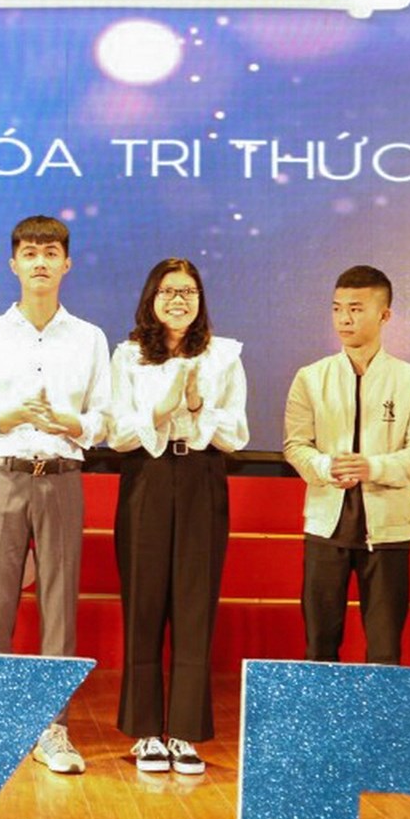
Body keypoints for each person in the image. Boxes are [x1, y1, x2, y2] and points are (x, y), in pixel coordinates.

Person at [0, 216, 111, 775]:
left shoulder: (90, 338)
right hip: (5, 475)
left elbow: (104, 418)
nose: (40, 262)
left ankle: (54, 728)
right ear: (14, 264)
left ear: (67, 264)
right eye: (30, 252)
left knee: (59, 607)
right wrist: (13, 415)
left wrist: (71, 423)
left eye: (50, 252)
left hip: (63, 478)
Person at [108, 258, 248, 775]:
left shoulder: (224, 355)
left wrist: (196, 406)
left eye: (188, 292)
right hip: (145, 477)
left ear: (200, 300)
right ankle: (146, 731)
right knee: (143, 603)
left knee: (194, 605)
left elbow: (237, 435)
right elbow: (117, 434)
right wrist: (161, 409)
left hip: (200, 477)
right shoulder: (128, 356)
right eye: (168, 291)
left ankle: (185, 732)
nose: (178, 300)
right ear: (151, 298)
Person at [283, 264, 410, 666]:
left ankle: (381, 711)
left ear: (384, 315)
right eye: (337, 309)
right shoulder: (311, 378)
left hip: (387, 530)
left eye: (356, 309)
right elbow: (295, 446)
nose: (344, 319)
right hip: (325, 526)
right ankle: (323, 710)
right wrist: (325, 466)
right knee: (319, 646)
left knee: (385, 650)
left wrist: (372, 467)